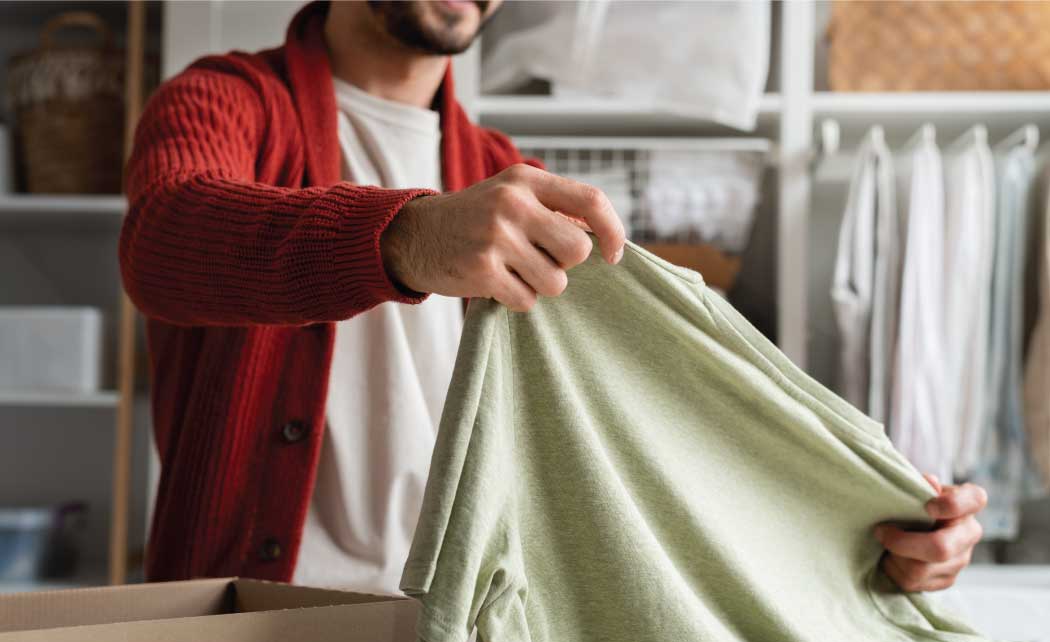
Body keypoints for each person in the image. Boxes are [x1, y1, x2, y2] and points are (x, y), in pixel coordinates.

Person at [121, 0, 986, 596]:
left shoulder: (510, 170)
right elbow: (162, 245)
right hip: (247, 614)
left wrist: (867, 530)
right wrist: (407, 238)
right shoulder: (224, 99)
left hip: (461, 619)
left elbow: (636, 431)